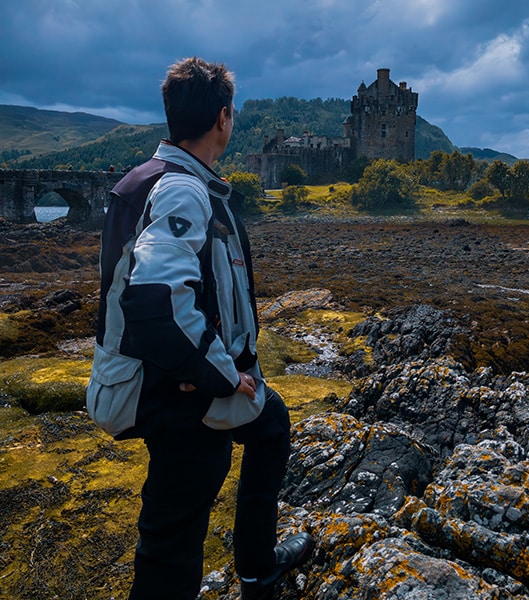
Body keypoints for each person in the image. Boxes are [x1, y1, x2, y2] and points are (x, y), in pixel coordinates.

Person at [92, 57, 313, 600]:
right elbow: (155, 300)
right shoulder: (181, 191)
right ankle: (250, 573)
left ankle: (259, 567)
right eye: (231, 113)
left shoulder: (154, 181)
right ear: (223, 118)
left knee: (270, 421)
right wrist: (213, 373)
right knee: (173, 537)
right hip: (172, 390)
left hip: (167, 374)